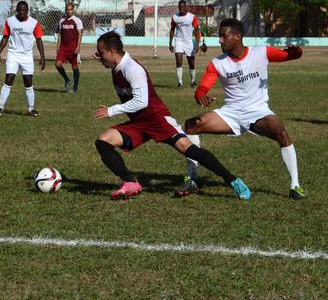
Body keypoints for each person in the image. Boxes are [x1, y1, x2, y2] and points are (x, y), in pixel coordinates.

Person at [93, 31, 250, 200]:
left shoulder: (132, 69)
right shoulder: (117, 67)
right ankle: (130, 182)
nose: (99, 57)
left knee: (189, 149)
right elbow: (134, 101)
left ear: (112, 52)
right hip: (138, 122)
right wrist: (103, 59)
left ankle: (232, 180)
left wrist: (111, 110)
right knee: (103, 142)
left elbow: (141, 102)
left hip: (156, 119)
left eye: (101, 54)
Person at [182, 18, 305, 200]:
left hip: (258, 111)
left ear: (237, 37)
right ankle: (192, 178)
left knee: (281, 132)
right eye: (220, 37)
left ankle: (295, 185)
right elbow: (202, 89)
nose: (220, 41)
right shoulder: (217, 63)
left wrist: (297, 51)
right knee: (191, 125)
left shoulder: (261, 52)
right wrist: (200, 95)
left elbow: (289, 55)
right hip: (231, 113)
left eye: (224, 36)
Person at [0, 1, 45, 117]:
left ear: (27, 11)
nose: (22, 12)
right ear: (16, 10)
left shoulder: (34, 23)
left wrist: (42, 57)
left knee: (28, 82)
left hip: (27, 56)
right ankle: (0, 108)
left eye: (24, 10)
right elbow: (5, 37)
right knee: (9, 78)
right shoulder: (10, 21)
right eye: (20, 10)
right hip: (13, 54)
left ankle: (31, 109)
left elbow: (39, 40)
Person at [169, 0, 200, 88]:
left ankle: (193, 81)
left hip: (189, 42)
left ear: (186, 7)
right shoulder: (175, 17)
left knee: (191, 63)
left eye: (183, 7)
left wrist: (197, 45)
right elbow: (172, 30)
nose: (181, 9)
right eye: (180, 7)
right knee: (178, 61)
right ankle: (180, 82)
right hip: (179, 41)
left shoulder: (192, 17)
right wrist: (170, 43)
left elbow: (197, 31)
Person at [55, 2, 83, 93]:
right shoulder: (61, 21)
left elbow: (80, 34)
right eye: (67, 9)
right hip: (63, 47)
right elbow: (59, 34)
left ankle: (75, 88)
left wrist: (78, 47)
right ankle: (67, 79)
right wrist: (57, 46)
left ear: (73, 10)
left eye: (70, 9)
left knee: (74, 66)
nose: (69, 11)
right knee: (57, 64)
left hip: (73, 47)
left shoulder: (77, 21)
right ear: (65, 10)